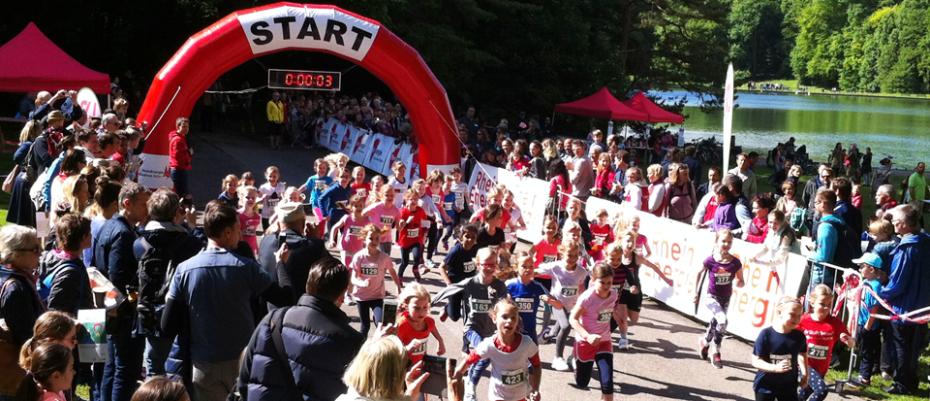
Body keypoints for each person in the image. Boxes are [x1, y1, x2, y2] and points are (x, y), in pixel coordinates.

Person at [161, 201, 283, 401]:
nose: (241, 235)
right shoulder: (247, 267)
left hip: (203, 364)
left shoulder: (184, 269)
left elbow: (167, 326)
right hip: (242, 362)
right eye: (238, 229)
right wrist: (281, 265)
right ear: (227, 233)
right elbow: (282, 298)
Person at [238, 256, 365, 401]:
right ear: (342, 296)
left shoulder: (273, 320)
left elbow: (244, 379)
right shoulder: (353, 342)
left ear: (307, 285)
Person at [133, 189, 203, 378]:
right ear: (176, 212)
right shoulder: (190, 243)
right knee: (184, 369)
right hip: (183, 313)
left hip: (152, 313)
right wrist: (191, 226)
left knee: (154, 367)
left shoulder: (140, 242)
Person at [92, 182, 150, 401]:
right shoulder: (123, 233)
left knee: (113, 365)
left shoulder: (110, 225)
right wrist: (130, 300)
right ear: (127, 204)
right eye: (143, 204)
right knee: (125, 370)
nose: (147, 209)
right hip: (120, 312)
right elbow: (116, 276)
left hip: (110, 310)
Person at [432, 247, 508, 401]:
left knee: (485, 357)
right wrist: (429, 302)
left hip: (490, 330)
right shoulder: (470, 283)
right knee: (484, 354)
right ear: (478, 264)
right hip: (472, 329)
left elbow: (505, 306)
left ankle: (469, 379)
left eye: (492, 265)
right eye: (485, 264)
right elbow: (450, 289)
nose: (489, 268)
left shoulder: (499, 286)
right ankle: (471, 386)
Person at [880, 204, 930, 394]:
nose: (892, 223)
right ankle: (911, 379)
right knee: (914, 347)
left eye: (894, 221)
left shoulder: (906, 248)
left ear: (902, 224)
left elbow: (897, 283)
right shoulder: (926, 242)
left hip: (904, 308)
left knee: (902, 346)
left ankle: (902, 383)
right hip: (923, 307)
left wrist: (880, 291)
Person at [453, 298, 542, 401]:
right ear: (494, 318)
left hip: (521, 396)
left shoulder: (526, 343)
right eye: (505, 317)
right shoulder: (489, 345)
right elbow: (469, 360)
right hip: (498, 397)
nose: (509, 321)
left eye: (514, 318)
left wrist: (535, 388)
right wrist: (457, 374)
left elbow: (536, 365)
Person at [0, 224, 44, 399]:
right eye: (35, 249)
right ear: (15, 254)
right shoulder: (16, 288)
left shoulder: (10, 277)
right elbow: (26, 336)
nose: (40, 252)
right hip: (14, 374)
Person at [257, 202, 326, 306]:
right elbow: (335, 270)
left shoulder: (265, 241)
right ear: (303, 223)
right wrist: (315, 239)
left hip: (269, 311)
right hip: (300, 310)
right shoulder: (313, 246)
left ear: (279, 223)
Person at [695, 229, 744, 368]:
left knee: (716, 322)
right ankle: (715, 352)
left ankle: (705, 341)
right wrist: (695, 293)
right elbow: (698, 273)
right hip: (711, 297)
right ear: (716, 242)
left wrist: (739, 283)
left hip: (725, 298)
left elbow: (741, 279)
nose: (726, 244)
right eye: (723, 241)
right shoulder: (710, 260)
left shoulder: (735, 262)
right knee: (722, 321)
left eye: (729, 242)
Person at [536, 242, 589, 371]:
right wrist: (529, 270)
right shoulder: (555, 267)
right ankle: (558, 358)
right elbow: (538, 269)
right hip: (556, 303)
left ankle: (545, 336)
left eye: (576, 256)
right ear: (561, 254)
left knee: (555, 331)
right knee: (566, 326)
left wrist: (582, 302)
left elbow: (581, 286)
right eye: (569, 255)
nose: (572, 259)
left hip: (571, 305)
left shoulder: (581, 271)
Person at [797, 285, 854, 401]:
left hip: (821, 369)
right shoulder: (804, 320)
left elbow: (852, 344)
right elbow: (790, 338)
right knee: (821, 390)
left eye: (829, 305)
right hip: (804, 365)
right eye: (822, 304)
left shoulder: (835, 323)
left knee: (803, 395)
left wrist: (848, 339)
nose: (826, 308)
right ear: (812, 302)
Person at [569, 263, 617, 401]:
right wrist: (587, 336)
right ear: (593, 279)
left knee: (607, 384)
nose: (607, 286)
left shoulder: (613, 295)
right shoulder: (587, 298)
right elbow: (573, 319)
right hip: (585, 342)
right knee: (582, 382)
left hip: (604, 342)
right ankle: (575, 359)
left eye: (609, 282)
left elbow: (609, 315)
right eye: (602, 282)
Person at [337, 335, 429, 401]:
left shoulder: (349, 395)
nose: (407, 369)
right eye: (407, 364)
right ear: (391, 376)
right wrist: (409, 398)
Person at [347, 225, 401, 336]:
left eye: (377, 238)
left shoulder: (384, 257)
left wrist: (399, 287)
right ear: (364, 238)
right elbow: (353, 278)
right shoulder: (359, 257)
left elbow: (392, 272)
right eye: (371, 238)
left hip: (377, 296)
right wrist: (362, 283)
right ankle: (360, 349)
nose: (374, 241)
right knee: (365, 326)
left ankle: (382, 347)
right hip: (361, 297)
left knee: (382, 324)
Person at [752, 297, 808, 401]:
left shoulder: (799, 337)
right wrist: (775, 368)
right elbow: (755, 361)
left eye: (799, 316)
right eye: (792, 314)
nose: (796, 319)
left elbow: (802, 353)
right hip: (765, 386)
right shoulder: (766, 335)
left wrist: (805, 373)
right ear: (779, 313)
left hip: (789, 386)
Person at [38, 214, 93, 316]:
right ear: (83, 237)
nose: (92, 236)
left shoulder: (50, 256)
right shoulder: (70, 273)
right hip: (72, 327)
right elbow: (57, 312)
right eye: (89, 233)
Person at [506, 253, 561, 343]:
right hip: (512, 331)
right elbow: (498, 306)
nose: (528, 269)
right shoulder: (509, 285)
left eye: (531, 266)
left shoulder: (537, 287)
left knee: (532, 356)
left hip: (530, 332)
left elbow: (558, 305)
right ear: (516, 268)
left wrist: (550, 301)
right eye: (524, 266)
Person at [850, 253, 885, 388]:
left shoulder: (875, 286)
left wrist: (867, 326)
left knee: (867, 352)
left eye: (861, 266)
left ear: (871, 269)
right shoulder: (864, 282)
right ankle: (862, 373)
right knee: (862, 349)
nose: (859, 269)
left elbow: (874, 309)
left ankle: (865, 378)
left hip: (868, 326)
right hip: (860, 322)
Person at [395, 283, 445, 364]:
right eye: (416, 308)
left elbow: (432, 328)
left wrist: (440, 341)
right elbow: (392, 350)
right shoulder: (402, 325)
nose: (421, 312)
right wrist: (407, 349)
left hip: (420, 364)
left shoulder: (428, 321)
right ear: (406, 305)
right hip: (403, 366)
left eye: (425, 307)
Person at [438, 225, 479, 322]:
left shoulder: (476, 249)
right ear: (461, 237)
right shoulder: (456, 251)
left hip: (469, 285)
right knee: (455, 317)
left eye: (473, 237)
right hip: (455, 286)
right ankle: (447, 308)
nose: (470, 240)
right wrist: (449, 284)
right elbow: (441, 268)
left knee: (472, 311)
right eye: (467, 236)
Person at [807, 189, 842, 289]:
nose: (814, 206)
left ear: (823, 204)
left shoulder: (825, 227)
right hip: (830, 273)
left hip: (821, 274)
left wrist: (807, 253)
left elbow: (823, 257)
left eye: (816, 202)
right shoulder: (838, 220)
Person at [329, 194, 371, 266]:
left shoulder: (367, 221)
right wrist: (332, 240)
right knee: (347, 269)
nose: (358, 208)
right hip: (346, 249)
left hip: (359, 250)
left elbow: (371, 232)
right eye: (356, 206)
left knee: (356, 270)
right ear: (351, 207)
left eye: (360, 206)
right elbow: (335, 228)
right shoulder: (347, 218)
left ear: (364, 207)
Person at [397, 189, 427, 283]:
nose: (414, 201)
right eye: (411, 199)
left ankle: (415, 269)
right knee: (404, 262)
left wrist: (425, 233)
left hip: (416, 240)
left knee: (417, 256)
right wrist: (403, 223)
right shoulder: (403, 212)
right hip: (405, 241)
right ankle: (399, 276)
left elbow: (425, 223)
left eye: (416, 199)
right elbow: (399, 228)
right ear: (406, 200)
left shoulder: (421, 211)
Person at [168, 117, 192, 200]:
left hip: (179, 169)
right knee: (182, 195)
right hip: (179, 170)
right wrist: (189, 154)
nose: (186, 129)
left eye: (187, 127)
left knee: (180, 194)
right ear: (178, 127)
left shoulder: (181, 138)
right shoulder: (178, 140)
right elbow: (179, 157)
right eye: (184, 126)